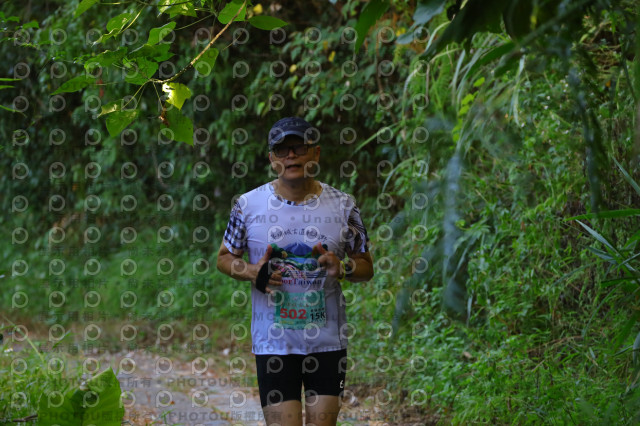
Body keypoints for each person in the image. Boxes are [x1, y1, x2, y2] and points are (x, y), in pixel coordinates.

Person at [216, 117, 374, 426]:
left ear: (315, 153)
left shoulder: (344, 206)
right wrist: (252, 271)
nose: (291, 155)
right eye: (282, 149)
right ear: (271, 158)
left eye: (299, 147)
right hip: (273, 343)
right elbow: (224, 258)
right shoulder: (248, 206)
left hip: (327, 343)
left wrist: (343, 268)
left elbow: (366, 266)